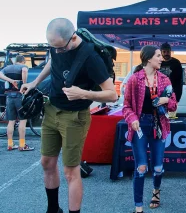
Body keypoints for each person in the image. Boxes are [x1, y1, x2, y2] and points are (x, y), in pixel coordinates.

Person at [20, 18, 118, 213]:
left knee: (70, 171)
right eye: (52, 47)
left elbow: (112, 94)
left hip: (74, 116)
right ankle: (53, 209)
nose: (56, 51)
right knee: (46, 163)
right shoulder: (57, 47)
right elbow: (52, 62)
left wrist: (83, 93)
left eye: (60, 48)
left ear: (72, 38)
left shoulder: (90, 58)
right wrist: (35, 83)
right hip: (51, 109)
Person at [123, 45, 177, 213]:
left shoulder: (165, 80)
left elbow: (173, 104)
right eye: (158, 56)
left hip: (159, 125)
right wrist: (132, 119)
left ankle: (156, 191)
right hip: (140, 125)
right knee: (140, 168)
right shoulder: (134, 79)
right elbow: (126, 107)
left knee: (158, 167)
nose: (162, 58)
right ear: (148, 59)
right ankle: (138, 207)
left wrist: (165, 101)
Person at [0, 55, 34, 151]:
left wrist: (11, 81)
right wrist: (23, 83)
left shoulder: (7, 68)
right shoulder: (23, 66)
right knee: (23, 120)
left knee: (11, 121)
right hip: (19, 96)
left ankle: (10, 144)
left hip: (9, 97)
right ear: (23, 61)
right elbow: (24, 70)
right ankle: (22, 145)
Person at [159, 42, 182, 118]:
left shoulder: (176, 63)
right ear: (161, 52)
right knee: (161, 117)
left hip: (172, 95)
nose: (166, 53)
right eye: (164, 52)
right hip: (160, 95)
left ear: (170, 51)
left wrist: (177, 97)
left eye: (168, 51)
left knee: (171, 118)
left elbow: (179, 81)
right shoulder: (158, 62)